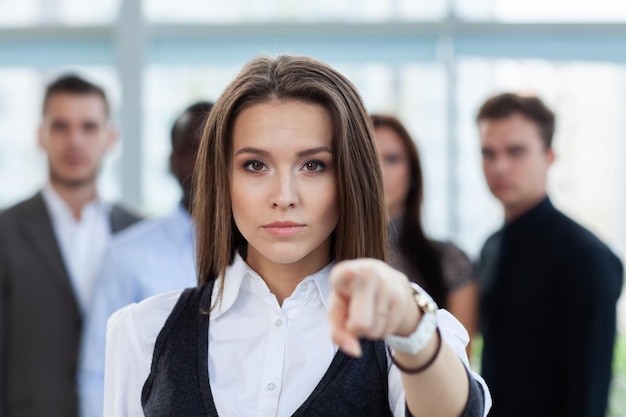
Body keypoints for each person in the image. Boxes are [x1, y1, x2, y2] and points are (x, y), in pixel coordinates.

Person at [103, 55, 491, 417]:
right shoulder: (144, 331)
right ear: (223, 179)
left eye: (313, 165)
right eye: (255, 165)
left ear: (349, 179)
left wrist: (409, 326)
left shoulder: (408, 329)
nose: (284, 197)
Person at [0, 75, 141, 417]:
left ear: (111, 137)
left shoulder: (138, 233)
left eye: (89, 127)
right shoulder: (4, 230)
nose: (75, 140)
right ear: (41, 136)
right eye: (60, 126)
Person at [476, 92, 623, 417]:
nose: (499, 166)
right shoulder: (491, 246)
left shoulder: (587, 256)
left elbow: (590, 387)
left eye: (516, 151)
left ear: (549, 156)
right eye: (488, 153)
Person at [77, 101, 213, 417]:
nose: (203, 164)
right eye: (191, 150)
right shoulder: (126, 255)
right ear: (171, 161)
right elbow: (99, 371)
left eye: (213, 149)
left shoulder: (265, 250)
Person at [371, 114, 478, 355]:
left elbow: (460, 373)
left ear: (412, 174)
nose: (379, 170)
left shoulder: (450, 261)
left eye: (392, 159)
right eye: (367, 157)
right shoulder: (322, 256)